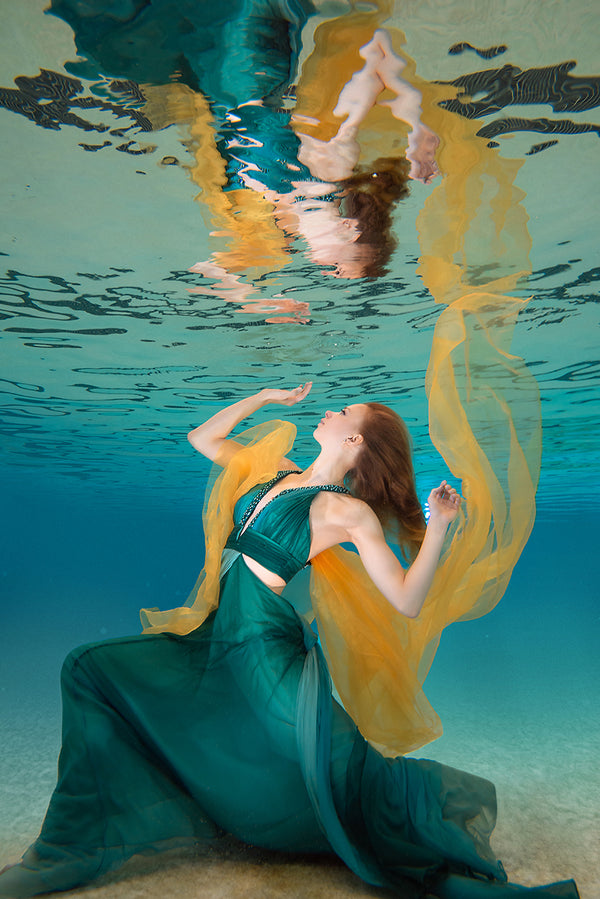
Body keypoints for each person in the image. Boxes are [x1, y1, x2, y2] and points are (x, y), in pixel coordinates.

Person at [0, 383, 579, 899]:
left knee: (337, 764)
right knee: (88, 669)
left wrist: (441, 528)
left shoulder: (346, 513)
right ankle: (68, 849)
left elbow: (406, 599)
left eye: (344, 408)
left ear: (355, 436)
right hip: (215, 642)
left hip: (262, 654)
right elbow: (202, 439)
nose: (330, 408)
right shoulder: (276, 471)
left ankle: (408, 832)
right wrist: (263, 398)